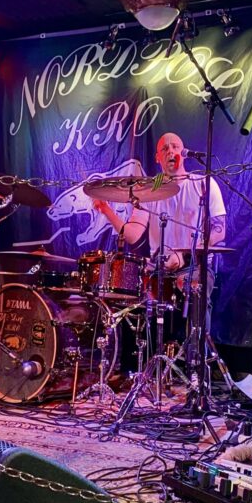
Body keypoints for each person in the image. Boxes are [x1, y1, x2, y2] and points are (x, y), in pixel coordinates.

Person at [96, 133, 227, 362]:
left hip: (194, 265)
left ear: (183, 152)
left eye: (175, 146)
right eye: (164, 148)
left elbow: (219, 230)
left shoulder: (203, 184)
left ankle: (195, 364)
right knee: (128, 288)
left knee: (195, 290)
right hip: (161, 266)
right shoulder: (151, 190)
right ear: (157, 157)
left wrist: (185, 254)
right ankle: (142, 365)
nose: (170, 151)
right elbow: (133, 234)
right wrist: (106, 210)